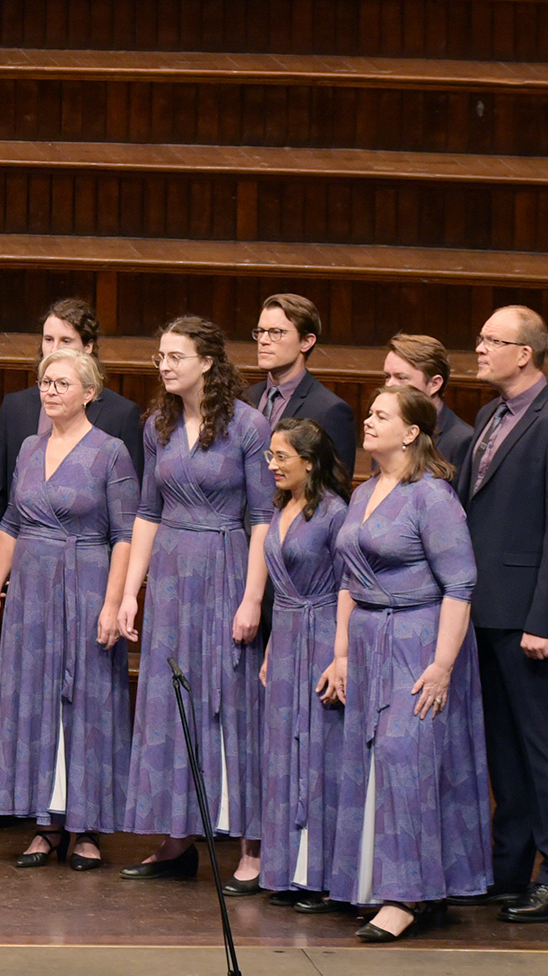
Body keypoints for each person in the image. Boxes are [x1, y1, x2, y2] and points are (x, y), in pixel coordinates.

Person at [327, 385, 491, 942]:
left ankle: (408, 896)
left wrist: (443, 665)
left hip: (418, 638)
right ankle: (383, 884)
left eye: (380, 416)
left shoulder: (433, 496)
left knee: (406, 758)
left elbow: (460, 584)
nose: (367, 422)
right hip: (369, 639)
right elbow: (350, 579)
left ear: (412, 432)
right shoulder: (365, 489)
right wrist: (342, 652)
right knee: (372, 763)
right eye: (369, 414)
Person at [117, 315, 272, 891]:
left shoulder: (247, 427)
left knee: (228, 702)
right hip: (173, 578)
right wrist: (132, 592)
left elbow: (262, 518)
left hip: (226, 567)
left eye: (176, 355)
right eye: (160, 355)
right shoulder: (157, 424)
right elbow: (147, 512)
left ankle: (251, 846)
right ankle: (176, 837)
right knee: (170, 700)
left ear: (207, 361)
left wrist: (252, 596)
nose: (164, 364)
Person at [456, 305, 548, 924]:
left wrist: (541, 621)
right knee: (503, 750)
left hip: (529, 619)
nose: (481, 348)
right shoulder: (490, 415)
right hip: (486, 610)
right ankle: (510, 871)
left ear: (527, 354)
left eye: (494, 340)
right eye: (481, 337)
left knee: (541, 747)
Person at [0, 348, 136, 871]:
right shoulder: (27, 447)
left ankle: (85, 828)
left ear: (90, 392)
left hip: (87, 583)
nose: (49, 391)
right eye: (45, 382)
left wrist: (114, 604)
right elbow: (11, 525)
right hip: (32, 592)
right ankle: (44, 824)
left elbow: (126, 536)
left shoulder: (111, 452)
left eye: (62, 383)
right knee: (35, 701)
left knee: (86, 701)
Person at [0, 298, 144, 590]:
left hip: (87, 570)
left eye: (66, 340)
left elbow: (128, 515)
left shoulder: (121, 414)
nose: (54, 348)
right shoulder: (16, 406)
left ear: (88, 346)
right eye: (48, 339)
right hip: (24, 564)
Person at [256, 418, 352, 913]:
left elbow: (347, 586)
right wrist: (272, 644)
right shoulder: (284, 506)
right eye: (270, 456)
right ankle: (287, 870)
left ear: (309, 463)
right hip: (289, 633)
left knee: (318, 752)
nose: (271, 465)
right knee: (284, 753)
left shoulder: (335, 513)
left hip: (321, 634)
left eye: (281, 457)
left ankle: (322, 875)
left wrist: (340, 655)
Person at [245, 293, 356, 472]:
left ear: (306, 342)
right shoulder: (246, 398)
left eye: (276, 333)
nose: (263, 341)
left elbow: (336, 488)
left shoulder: (330, 411)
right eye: (260, 332)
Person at [384, 333, 477, 483]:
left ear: (434, 384)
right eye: (387, 377)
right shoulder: (385, 430)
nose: (389, 385)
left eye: (401, 378)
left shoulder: (461, 440)